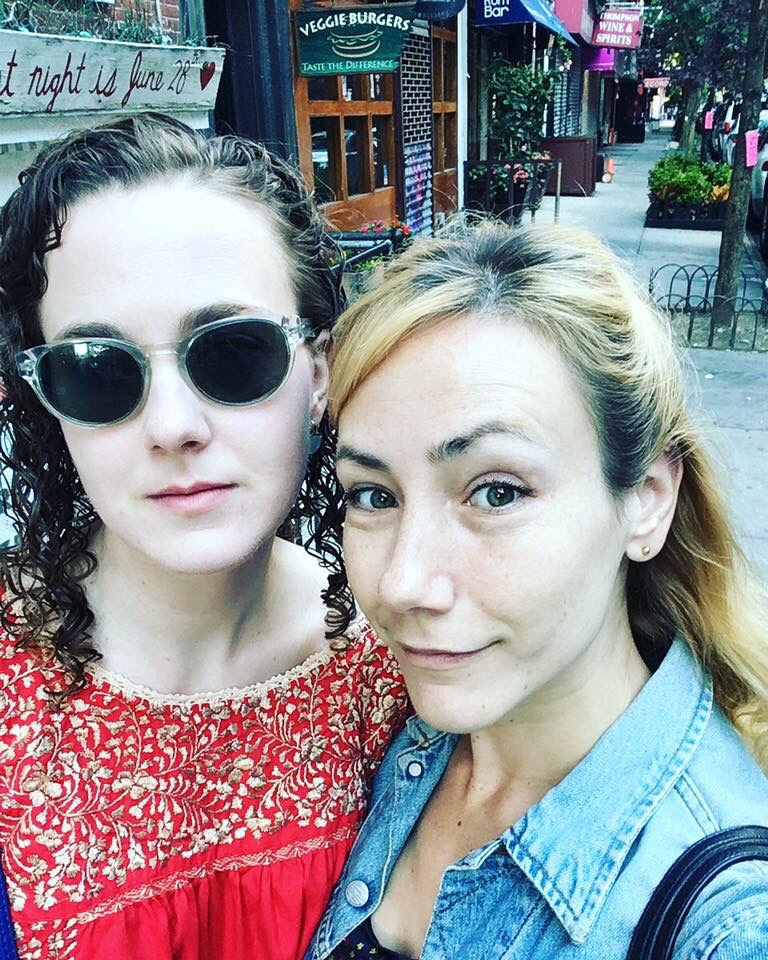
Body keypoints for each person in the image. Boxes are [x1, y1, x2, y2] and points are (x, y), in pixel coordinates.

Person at [0, 114, 407, 960]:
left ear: (318, 372)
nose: (173, 426)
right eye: (98, 369)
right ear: (47, 400)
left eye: (231, 353)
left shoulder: (406, 662)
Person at [308, 223, 768, 960]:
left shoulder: (728, 924)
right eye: (373, 495)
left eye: (496, 492)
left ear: (646, 501)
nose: (401, 583)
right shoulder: (391, 736)